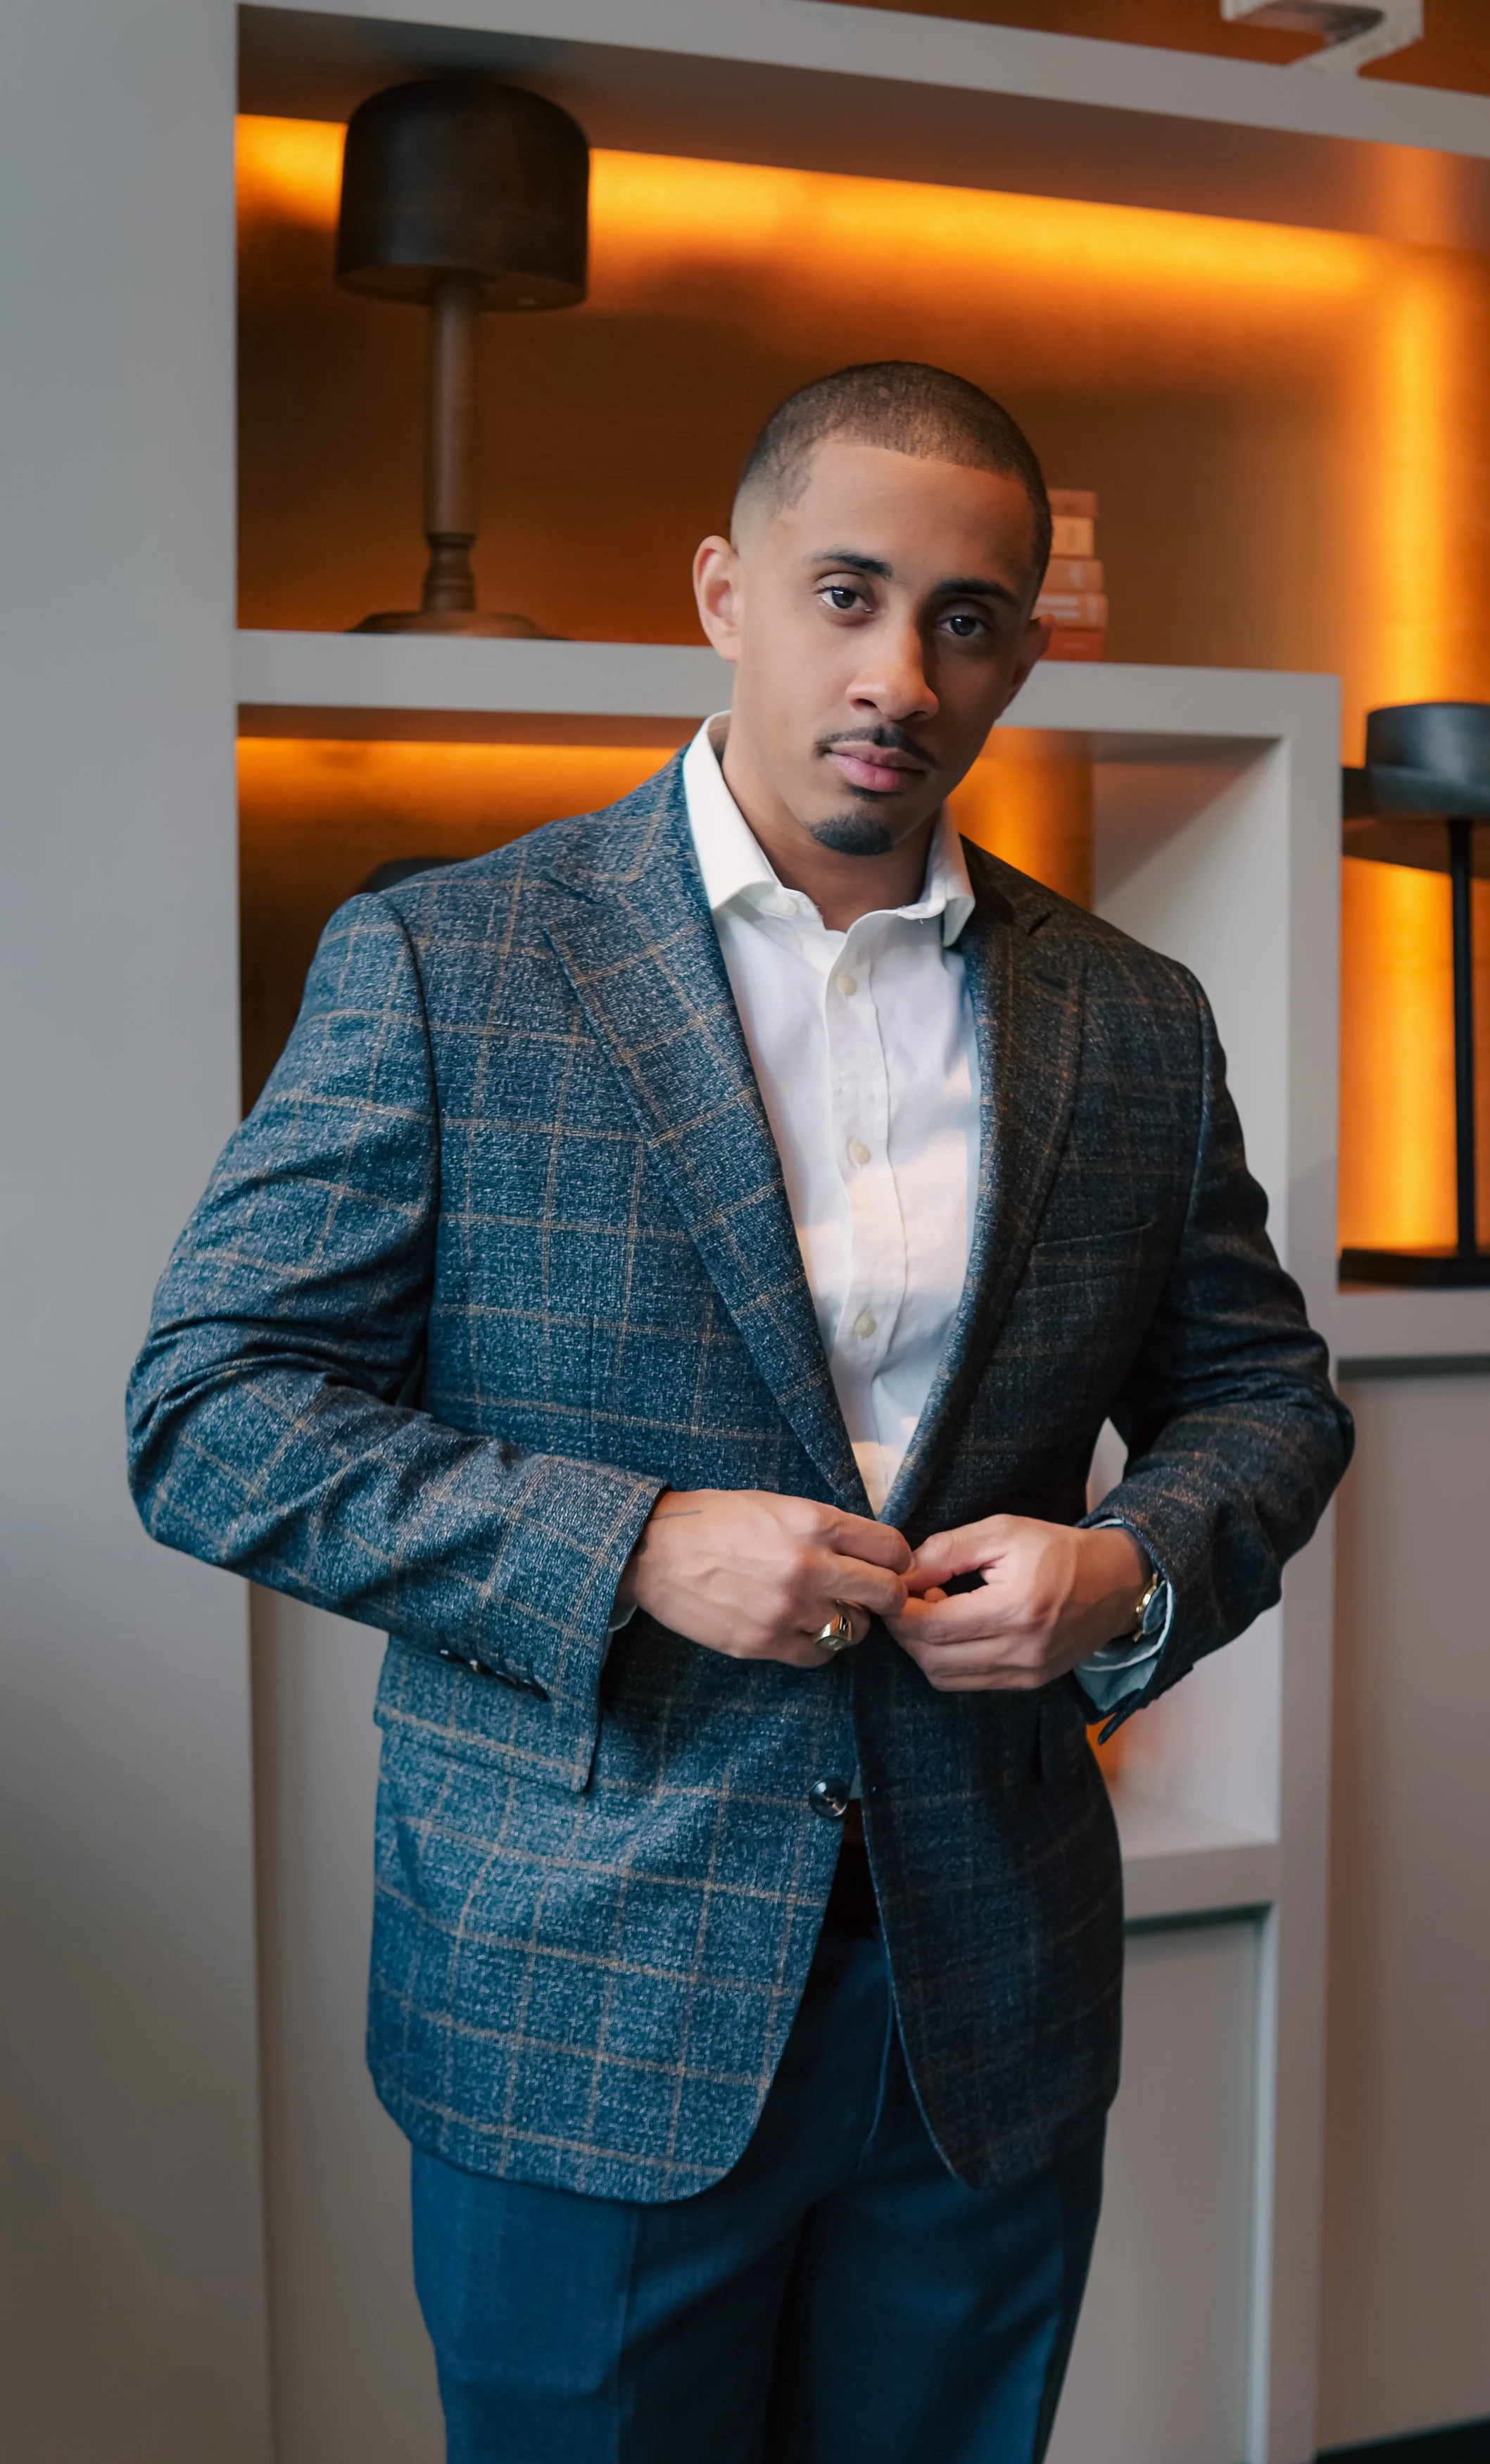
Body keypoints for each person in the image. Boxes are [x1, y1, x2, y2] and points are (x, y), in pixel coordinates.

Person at [127, 361, 1351, 2462]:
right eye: (845, 593)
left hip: (986, 1991)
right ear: (723, 590)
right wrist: (626, 1547)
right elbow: (209, 1409)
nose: (899, 676)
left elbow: (1263, 1393)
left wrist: (1126, 1567)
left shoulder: (1134, 1018)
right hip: (581, 1992)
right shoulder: (448, 960)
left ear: (1021, 656)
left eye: (965, 619)